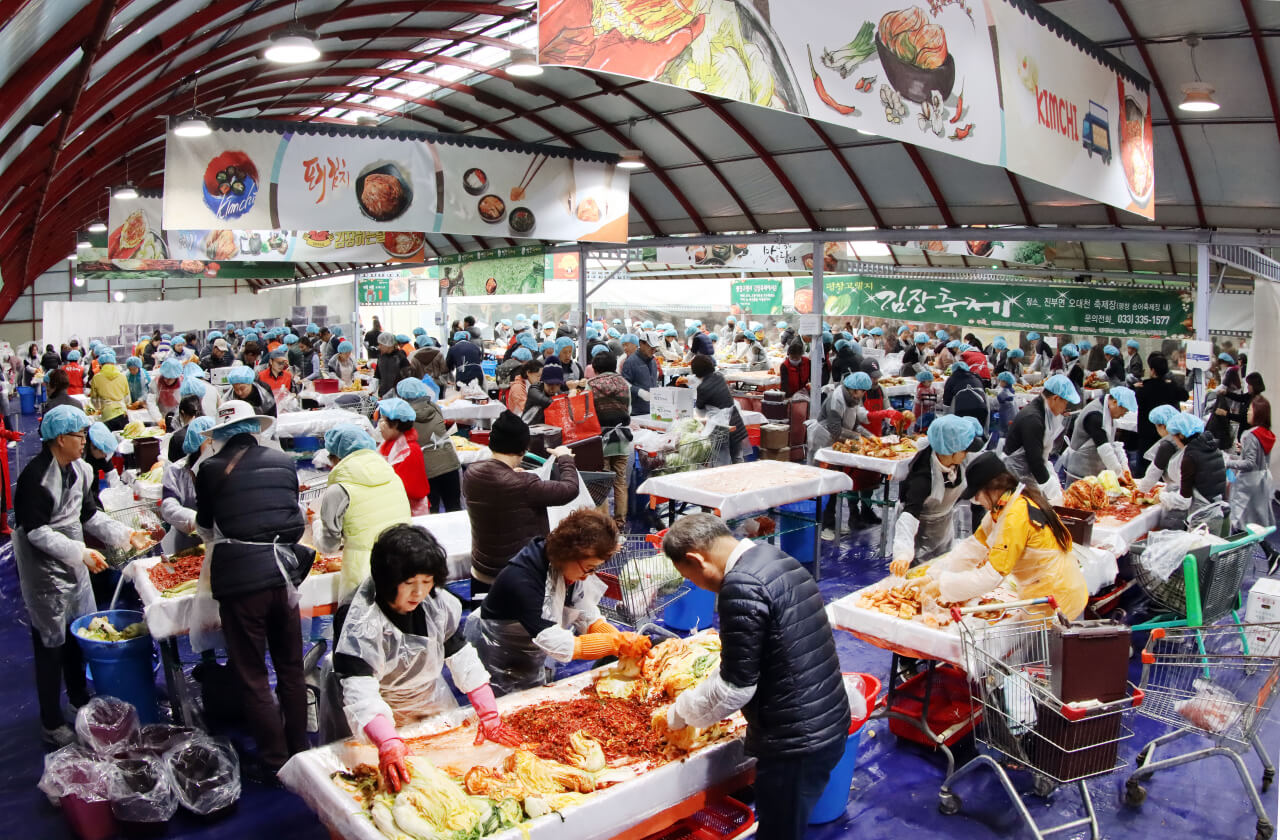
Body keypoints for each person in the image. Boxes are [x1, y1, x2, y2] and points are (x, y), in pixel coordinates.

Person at [660, 513, 850, 839]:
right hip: (827, 721)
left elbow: (734, 688)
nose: (697, 585)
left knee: (779, 832)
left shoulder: (740, 586)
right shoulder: (772, 556)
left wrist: (679, 714)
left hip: (797, 743)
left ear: (697, 559)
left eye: (690, 577)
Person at [334, 525, 518, 788]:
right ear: (387, 581)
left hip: (429, 700)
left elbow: (462, 657)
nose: (419, 593)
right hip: (377, 716)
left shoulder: (435, 602)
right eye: (409, 584)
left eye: (427, 581)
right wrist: (388, 742)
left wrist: (489, 715)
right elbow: (361, 694)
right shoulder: (359, 619)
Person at [14, 406, 147, 746]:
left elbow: (88, 515)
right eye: (80, 435)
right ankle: (50, 721)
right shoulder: (35, 478)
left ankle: (77, 699)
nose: (85, 441)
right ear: (60, 439)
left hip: (74, 564)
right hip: (44, 572)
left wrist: (124, 534)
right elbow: (36, 532)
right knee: (50, 645)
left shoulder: (80, 470)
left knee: (77, 633)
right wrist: (80, 552)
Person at [194, 401, 314, 777]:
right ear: (253, 429)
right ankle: (301, 751)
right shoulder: (283, 461)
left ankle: (276, 762)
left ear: (220, 435)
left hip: (242, 583)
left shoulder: (209, 469)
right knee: (291, 668)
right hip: (283, 576)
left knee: (253, 675)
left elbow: (205, 526)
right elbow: (291, 517)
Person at [467, 509, 649, 695]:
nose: (588, 576)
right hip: (499, 650)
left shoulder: (569, 567)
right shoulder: (522, 579)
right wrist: (616, 643)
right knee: (506, 698)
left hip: (531, 647)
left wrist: (622, 641)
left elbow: (586, 614)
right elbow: (557, 644)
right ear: (571, 554)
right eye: (589, 568)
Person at [913, 452, 1087, 620]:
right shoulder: (1005, 507)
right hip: (1044, 593)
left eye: (977, 495)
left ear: (992, 488)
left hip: (1058, 599)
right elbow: (972, 548)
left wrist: (942, 586)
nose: (977, 502)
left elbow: (991, 577)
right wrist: (932, 576)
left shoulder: (1015, 515)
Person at [462, 411, 581, 595]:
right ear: (524, 448)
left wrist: (512, 475)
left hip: (481, 571)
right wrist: (565, 458)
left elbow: (500, 493)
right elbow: (570, 488)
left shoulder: (472, 473)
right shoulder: (525, 484)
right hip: (517, 577)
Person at [314, 425, 412, 604]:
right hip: (402, 563)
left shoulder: (338, 490)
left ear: (336, 457)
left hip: (363, 574)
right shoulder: (393, 477)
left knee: (361, 619)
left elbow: (329, 546)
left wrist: (316, 525)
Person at [889, 415, 981, 576]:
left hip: (944, 526)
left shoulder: (959, 462)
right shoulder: (922, 477)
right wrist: (903, 554)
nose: (967, 454)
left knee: (943, 572)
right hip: (920, 533)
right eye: (965, 450)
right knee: (918, 576)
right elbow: (909, 516)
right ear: (950, 450)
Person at [1002, 373, 1080, 505]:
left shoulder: (1042, 412)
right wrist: (1053, 493)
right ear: (1055, 398)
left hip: (1025, 475)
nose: (1065, 408)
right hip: (1014, 478)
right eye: (1065, 403)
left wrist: (1053, 481)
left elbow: (1041, 457)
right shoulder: (1033, 418)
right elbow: (1035, 462)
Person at [396, 377, 462, 513]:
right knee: (454, 509)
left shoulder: (403, 416)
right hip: (449, 462)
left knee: (432, 513)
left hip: (426, 470)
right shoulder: (434, 407)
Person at [1158, 413, 1228, 533]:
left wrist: (1162, 496)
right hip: (1219, 510)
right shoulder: (1211, 447)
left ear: (1181, 435)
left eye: (1174, 437)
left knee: (1200, 544)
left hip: (1202, 517)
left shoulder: (1190, 456)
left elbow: (1184, 501)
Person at [587, 349, 633, 529]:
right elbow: (629, 410)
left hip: (601, 440)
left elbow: (587, 413)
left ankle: (605, 525)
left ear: (595, 368)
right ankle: (620, 522)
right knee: (620, 481)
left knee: (601, 483)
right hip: (622, 438)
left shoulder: (591, 384)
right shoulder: (625, 384)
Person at [161, 417, 216, 554]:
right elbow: (168, 506)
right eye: (209, 441)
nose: (214, 446)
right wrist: (194, 520)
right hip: (187, 545)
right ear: (197, 443)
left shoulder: (222, 467)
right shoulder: (176, 471)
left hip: (219, 542)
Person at [1062, 386, 1138, 484]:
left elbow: (1113, 443)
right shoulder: (1094, 415)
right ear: (1115, 402)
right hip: (1080, 469)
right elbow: (1104, 449)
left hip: (1095, 469)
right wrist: (1118, 473)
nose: (1123, 415)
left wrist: (1124, 466)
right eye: (1124, 411)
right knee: (1077, 492)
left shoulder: (1108, 412)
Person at [1226, 397, 1275, 541]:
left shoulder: (1250, 435)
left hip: (1247, 484)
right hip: (1262, 480)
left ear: (1258, 413)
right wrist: (1245, 450)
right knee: (1255, 521)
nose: (1247, 412)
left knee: (1240, 521)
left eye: (1250, 409)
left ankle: (1237, 551)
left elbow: (1249, 464)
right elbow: (1258, 458)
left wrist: (1228, 462)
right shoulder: (1266, 434)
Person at [690, 354, 750, 465]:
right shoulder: (719, 377)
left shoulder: (702, 388)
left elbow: (700, 413)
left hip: (721, 426)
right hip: (735, 419)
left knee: (721, 460)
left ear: (696, 371)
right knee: (737, 457)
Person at [376, 397, 431, 516]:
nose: (380, 425)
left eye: (383, 420)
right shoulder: (389, 444)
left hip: (410, 510)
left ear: (396, 424)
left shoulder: (409, 450)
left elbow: (412, 489)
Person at [1135, 353, 1188, 468]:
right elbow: (1185, 395)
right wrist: (1172, 383)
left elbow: (1137, 402)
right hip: (1166, 433)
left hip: (1147, 432)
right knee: (1164, 465)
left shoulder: (1144, 387)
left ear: (1152, 370)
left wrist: (1136, 388)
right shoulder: (1171, 386)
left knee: (1144, 465)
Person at [1136, 405, 1183, 493]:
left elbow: (1153, 473)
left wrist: (1140, 491)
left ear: (1163, 426)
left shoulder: (1167, 445)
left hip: (1178, 492)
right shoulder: (1184, 439)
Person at [1206, 366, 1248, 452]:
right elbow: (1239, 398)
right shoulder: (1241, 392)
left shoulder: (1249, 398)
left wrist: (1226, 414)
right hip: (1233, 425)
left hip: (1231, 423)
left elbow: (1242, 417)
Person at [87, 350, 130, 431]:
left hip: (107, 415)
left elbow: (95, 401)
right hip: (122, 414)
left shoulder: (96, 378)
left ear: (100, 364)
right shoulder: (122, 376)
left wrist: (100, 408)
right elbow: (127, 399)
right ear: (114, 363)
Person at [621, 333, 657, 416]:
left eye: (655, 348)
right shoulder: (630, 362)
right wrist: (639, 392)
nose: (653, 351)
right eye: (651, 348)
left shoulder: (653, 361)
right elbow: (624, 385)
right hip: (636, 412)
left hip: (652, 409)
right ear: (641, 344)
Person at [372, 332, 411, 397]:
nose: (379, 347)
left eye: (381, 345)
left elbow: (407, 379)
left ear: (388, 344)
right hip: (383, 395)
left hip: (398, 396)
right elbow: (377, 375)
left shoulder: (400, 358)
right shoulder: (381, 357)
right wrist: (373, 387)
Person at [990, 371, 1017, 450]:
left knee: (1003, 431)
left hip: (1006, 415)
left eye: (1001, 381)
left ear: (1005, 382)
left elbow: (995, 403)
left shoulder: (1004, 393)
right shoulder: (1011, 390)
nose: (1000, 383)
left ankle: (1000, 448)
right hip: (1012, 413)